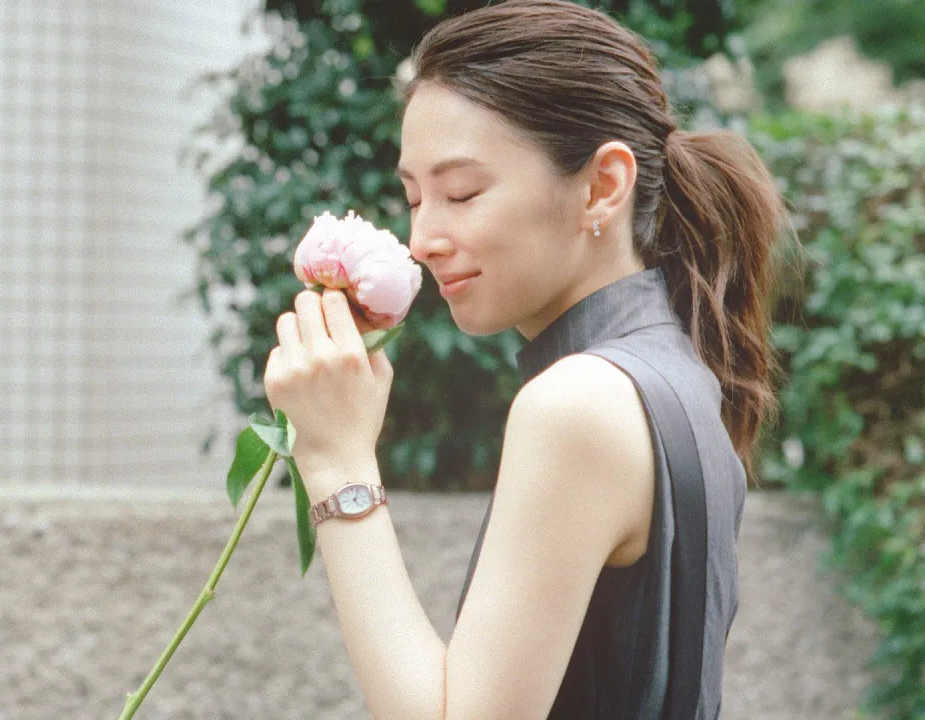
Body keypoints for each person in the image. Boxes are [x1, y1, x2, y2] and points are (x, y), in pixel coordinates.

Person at [262, 0, 788, 718]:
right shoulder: (674, 369)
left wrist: (338, 462)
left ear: (602, 185)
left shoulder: (578, 403)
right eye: (414, 197)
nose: (422, 239)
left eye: (462, 192)